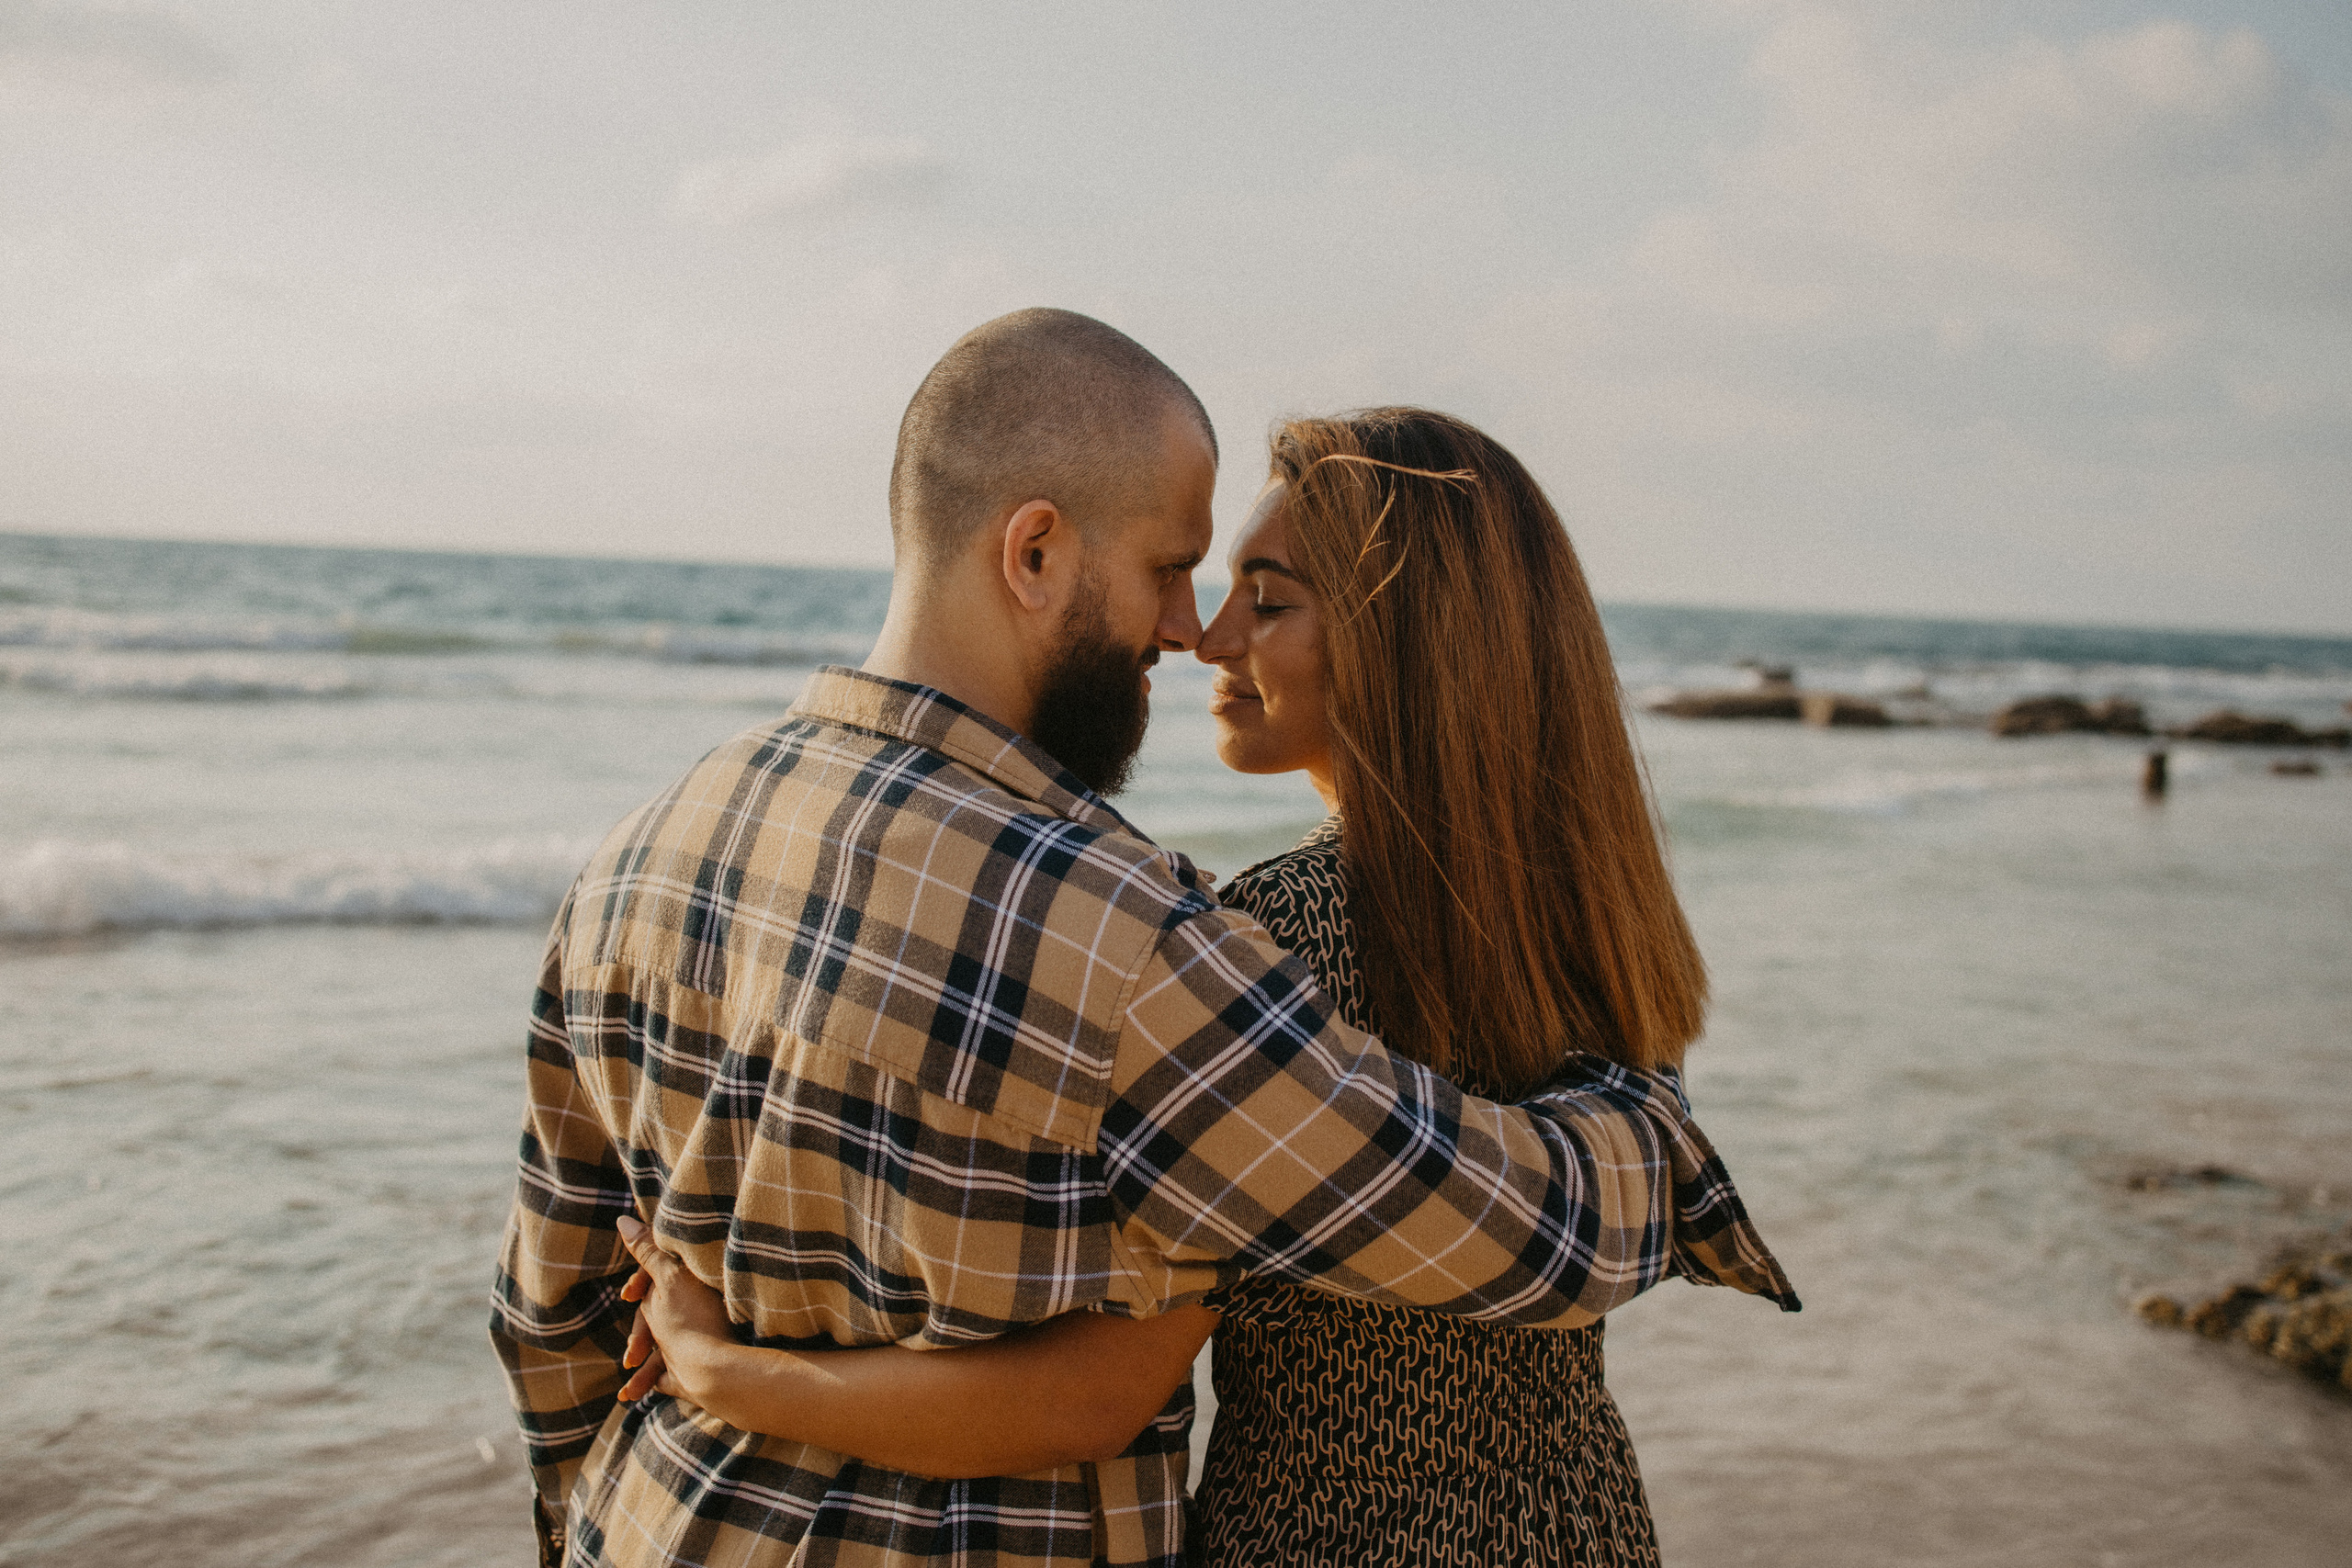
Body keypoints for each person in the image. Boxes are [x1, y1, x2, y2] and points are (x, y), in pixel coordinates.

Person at [492, 311, 1795, 1568]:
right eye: (1177, 571)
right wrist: (1656, 1121)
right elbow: (1527, 1238)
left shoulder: (632, 855)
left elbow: (551, 1321)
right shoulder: (1117, 935)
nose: (1191, 629)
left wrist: (714, 1385)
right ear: (1037, 553)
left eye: (1242, 591)